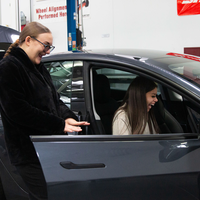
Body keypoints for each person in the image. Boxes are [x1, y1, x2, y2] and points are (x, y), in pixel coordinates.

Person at [0, 22, 89, 200]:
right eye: (46, 45)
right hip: (28, 152)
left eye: (50, 46)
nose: (48, 51)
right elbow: (19, 111)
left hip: (46, 148)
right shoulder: (9, 68)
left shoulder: (37, 67)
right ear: (28, 40)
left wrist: (67, 117)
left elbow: (55, 100)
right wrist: (59, 124)